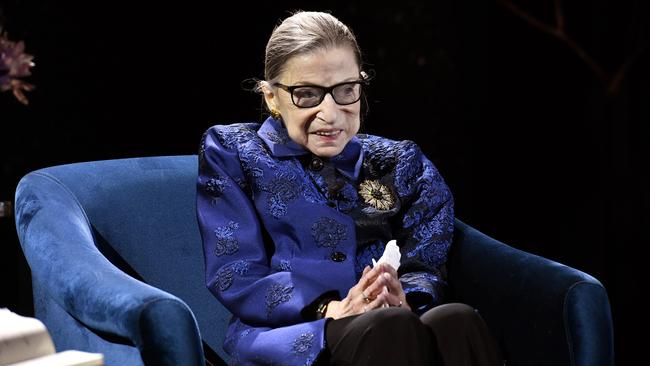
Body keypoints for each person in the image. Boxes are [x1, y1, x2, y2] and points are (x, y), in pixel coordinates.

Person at [197, 10, 502, 366]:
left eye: (345, 91)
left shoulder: (400, 162)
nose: (331, 112)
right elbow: (235, 272)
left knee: (455, 320)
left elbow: (426, 261)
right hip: (297, 334)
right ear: (271, 97)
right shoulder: (234, 152)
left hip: (394, 323)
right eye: (307, 94)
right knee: (389, 326)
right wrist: (330, 307)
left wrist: (407, 296)